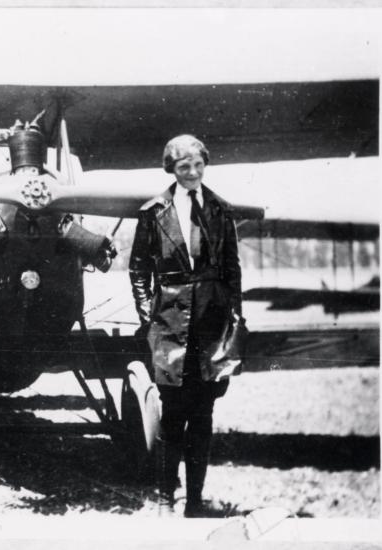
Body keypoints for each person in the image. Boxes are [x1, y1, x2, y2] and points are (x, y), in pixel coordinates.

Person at [128, 134, 243, 517]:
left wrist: (233, 321)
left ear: (204, 165)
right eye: (183, 167)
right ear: (171, 170)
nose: (192, 173)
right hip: (170, 326)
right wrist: (150, 319)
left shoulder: (221, 210)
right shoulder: (152, 212)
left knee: (204, 414)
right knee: (173, 413)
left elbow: (232, 270)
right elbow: (139, 270)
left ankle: (194, 502)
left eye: (197, 165)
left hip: (211, 326)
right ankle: (165, 498)